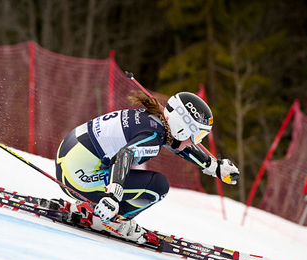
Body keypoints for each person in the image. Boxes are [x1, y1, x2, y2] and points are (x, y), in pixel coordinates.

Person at [55, 91, 240, 243]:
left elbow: (175, 145)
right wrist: (112, 196)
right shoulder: (152, 136)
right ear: (181, 128)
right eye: (197, 136)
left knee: (140, 178)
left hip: (69, 164)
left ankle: (94, 208)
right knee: (157, 186)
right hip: (77, 178)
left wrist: (213, 166)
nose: (195, 142)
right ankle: (111, 221)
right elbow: (123, 155)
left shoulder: (154, 121)